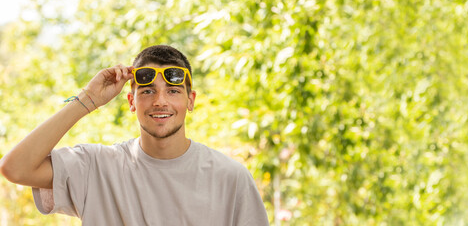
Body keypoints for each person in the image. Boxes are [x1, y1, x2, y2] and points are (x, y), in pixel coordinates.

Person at [0, 45, 270, 225]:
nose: (159, 101)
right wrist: (88, 99)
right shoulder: (96, 167)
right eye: (148, 91)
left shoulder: (230, 177)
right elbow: (15, 167)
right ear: (131, 101)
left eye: (173, 91)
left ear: (191, 100)